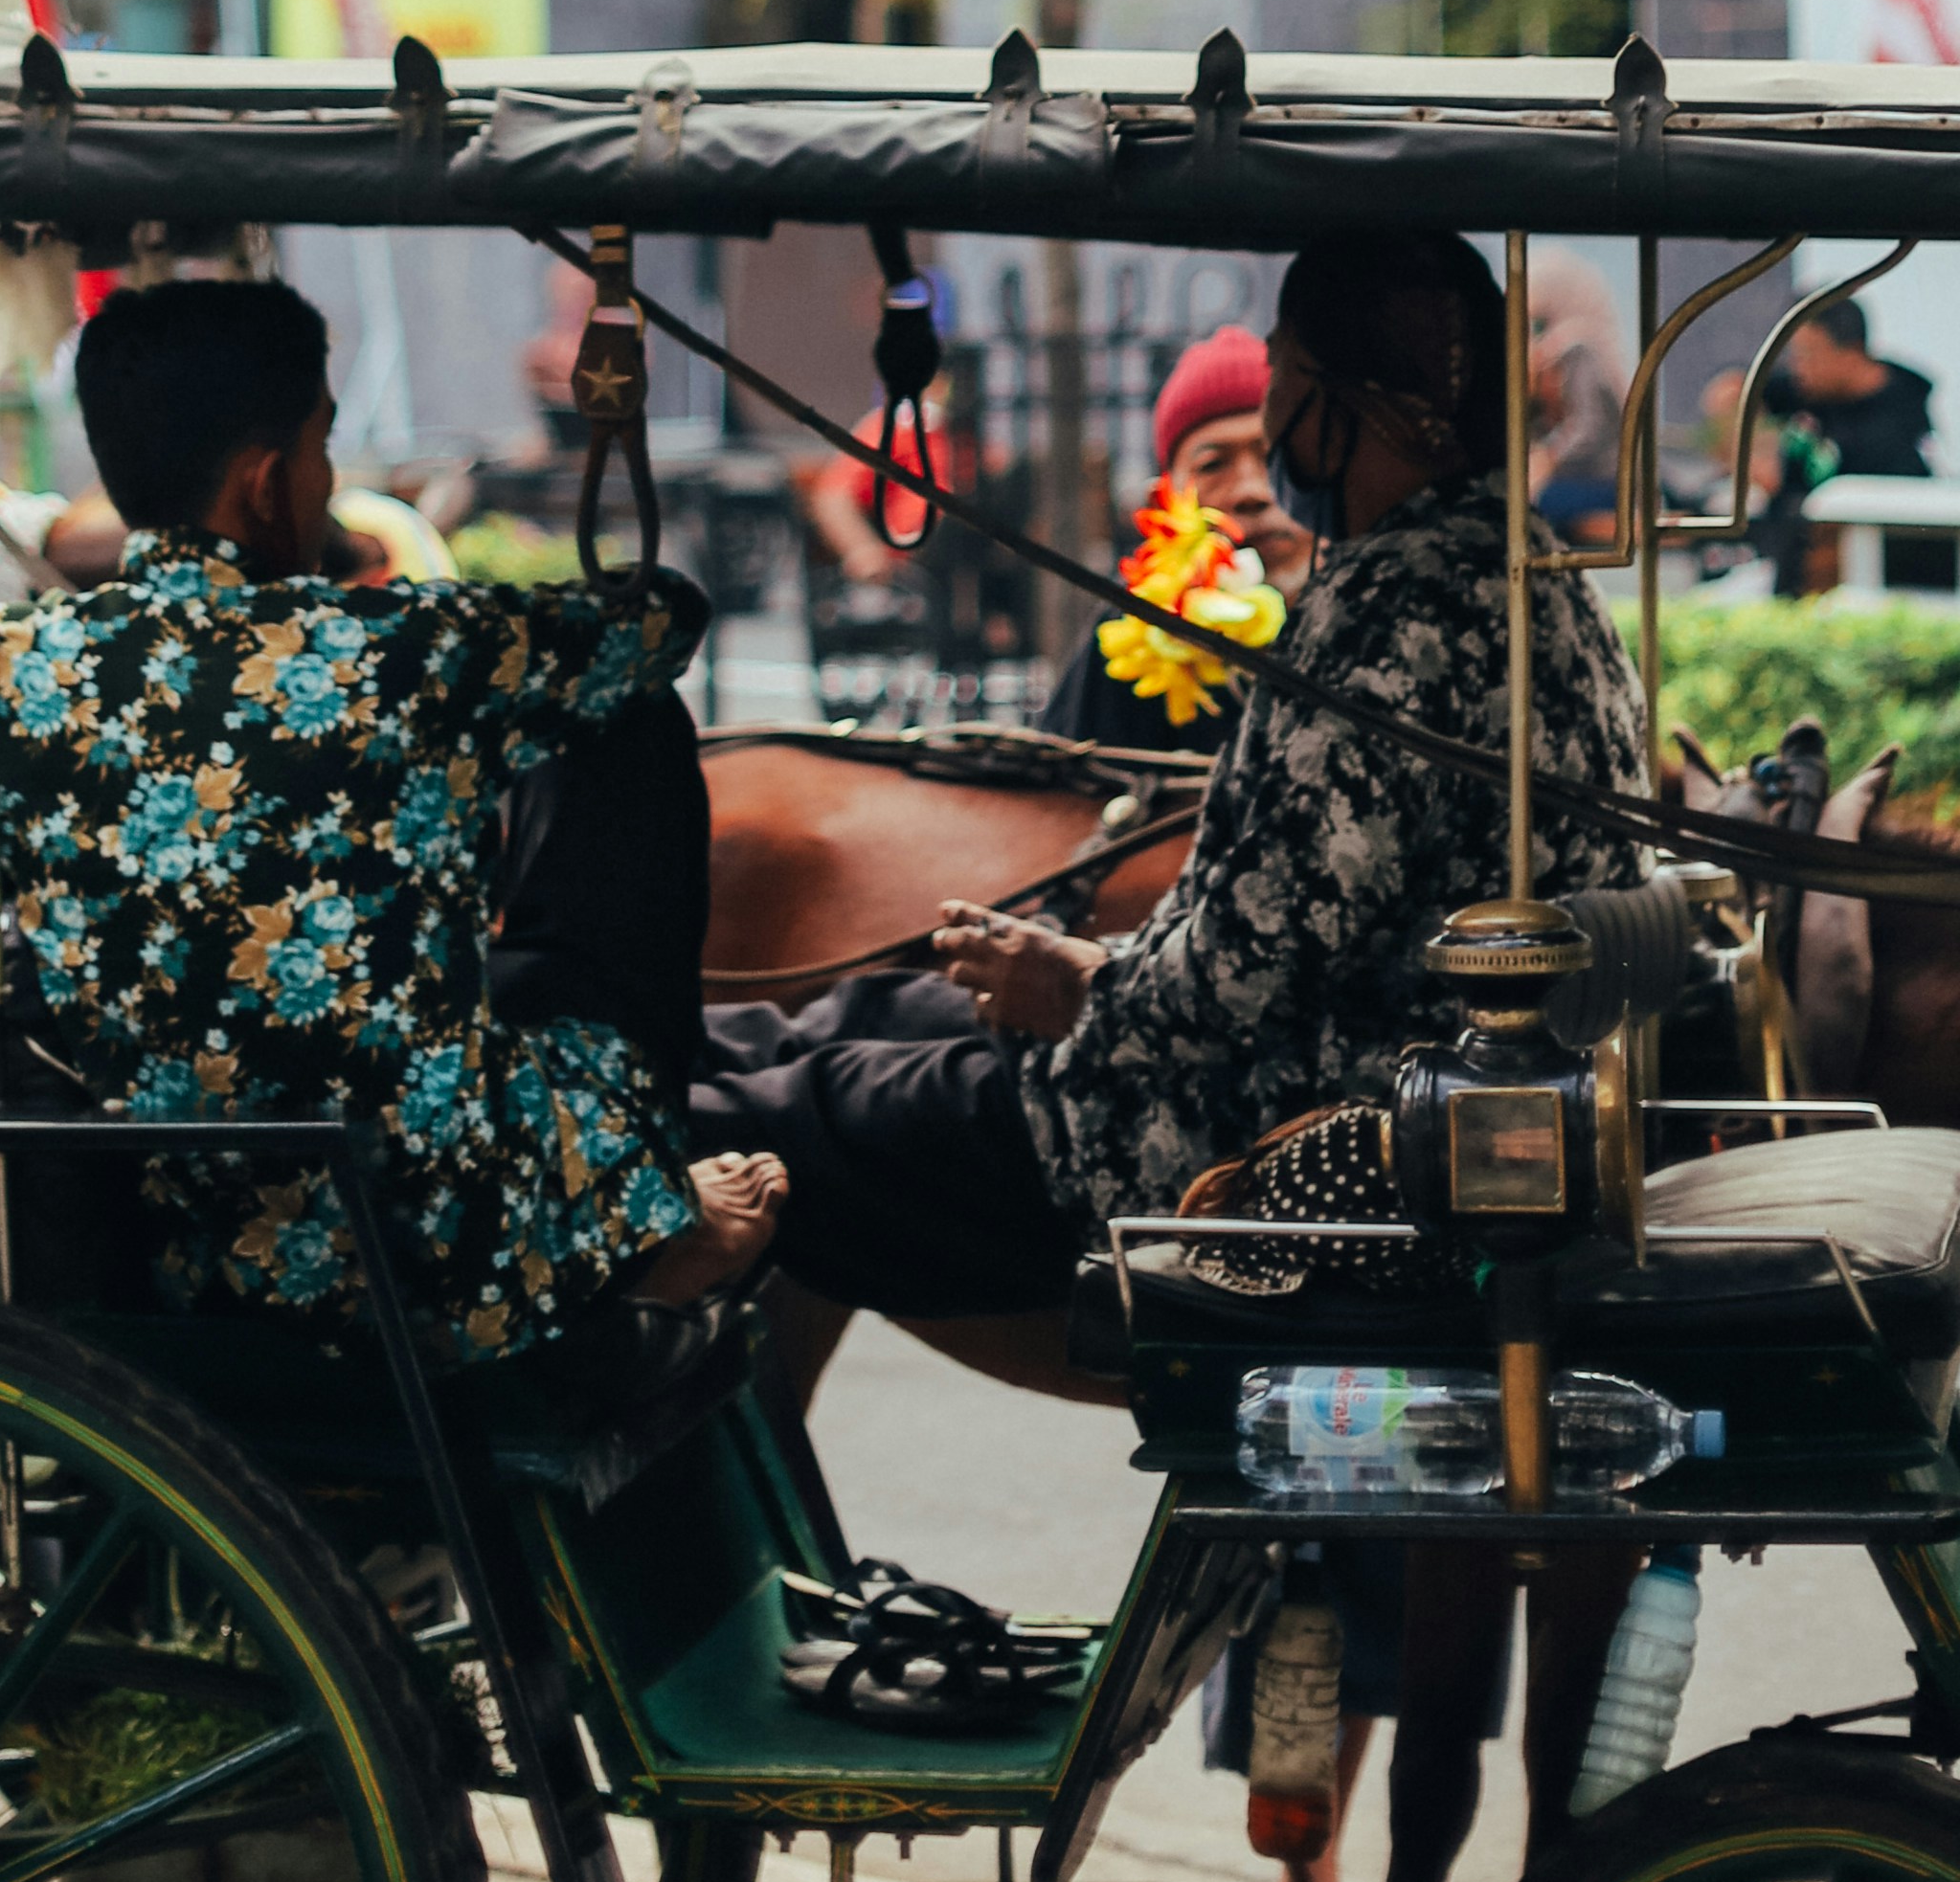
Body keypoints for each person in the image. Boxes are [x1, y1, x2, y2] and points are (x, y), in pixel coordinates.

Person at [696, 227, 1651, 1324]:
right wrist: (1091, 967)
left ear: (1350, 404)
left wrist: (1078, 986)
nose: (1277, 423)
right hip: (1325, 1075)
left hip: (1276, 1135)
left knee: (783, 1112)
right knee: (860, 1013)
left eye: (1286, 377)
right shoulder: (1507, 563)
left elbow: (1244, 973)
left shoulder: (1409, 614)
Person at [0, 274, 783, 1355]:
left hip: (150, 1222)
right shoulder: (404, 648)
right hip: (423, 1247)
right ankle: (629, 1211)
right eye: (322, 448)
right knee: (635, 722)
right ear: (264, 482)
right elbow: (661, 619)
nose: (328, 481)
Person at [1040, 327, 1315, 758]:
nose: (1250, 490)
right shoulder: (1134, 628)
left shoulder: (1379, 606)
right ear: (1166, 496)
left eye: (1273, 455)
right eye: (1213, 464)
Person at [1751, 288, 1938, 595]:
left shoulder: (1895, 433)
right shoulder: (1815, 391)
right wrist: (1758, 447)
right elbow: (1732, 393)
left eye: (1806, 355)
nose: (1797, 368)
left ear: (1849, 352)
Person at [1521, 253, 1632, 546]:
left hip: (1605, 480)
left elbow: (1589, 429)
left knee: (1530, 507)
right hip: (1585, 477)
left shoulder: (1578, 350)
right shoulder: (1553, 353)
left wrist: (1551, 457)